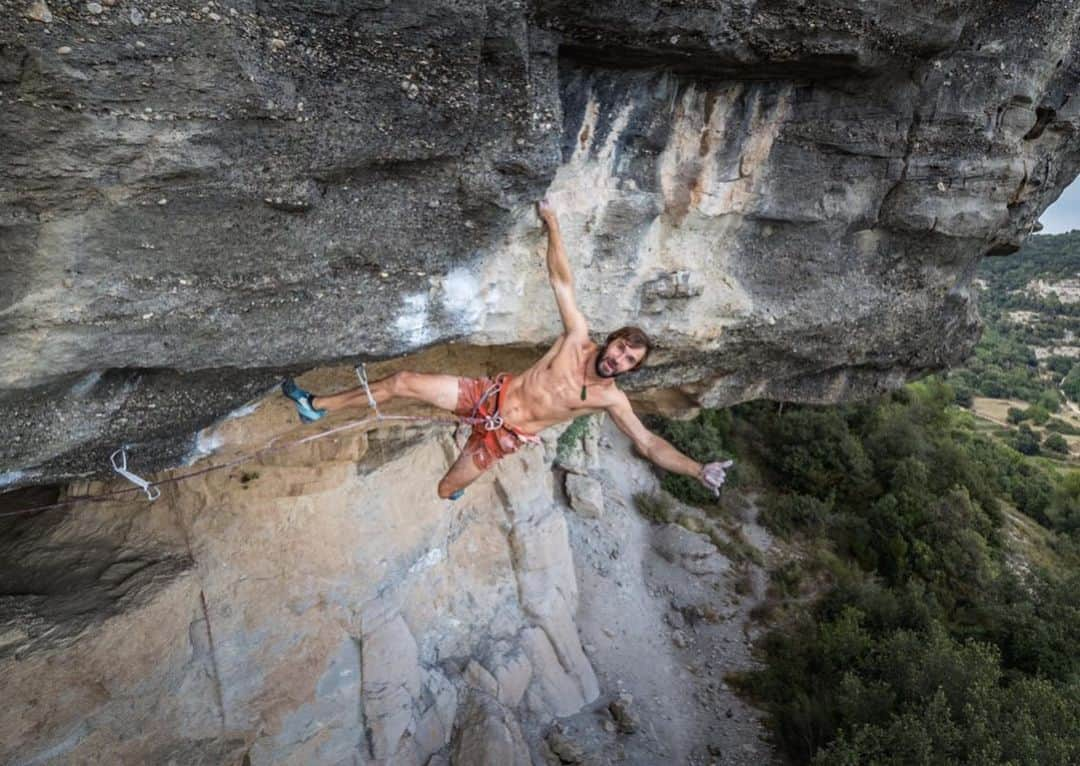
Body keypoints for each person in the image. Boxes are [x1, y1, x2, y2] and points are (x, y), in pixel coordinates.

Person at [282, 199, 733, 500]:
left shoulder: (611, 398)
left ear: (630, 371)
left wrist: (697, 470)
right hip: (484, 396)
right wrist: (552, 225)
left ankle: (462, 473)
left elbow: (650, 443)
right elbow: (562, 280)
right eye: (619, 349)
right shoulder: (577, 338)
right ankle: (317, 406)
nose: (618, 360)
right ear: (610, 341)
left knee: (445, 490)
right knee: (402, 382)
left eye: (629, 362)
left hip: (501, 436)